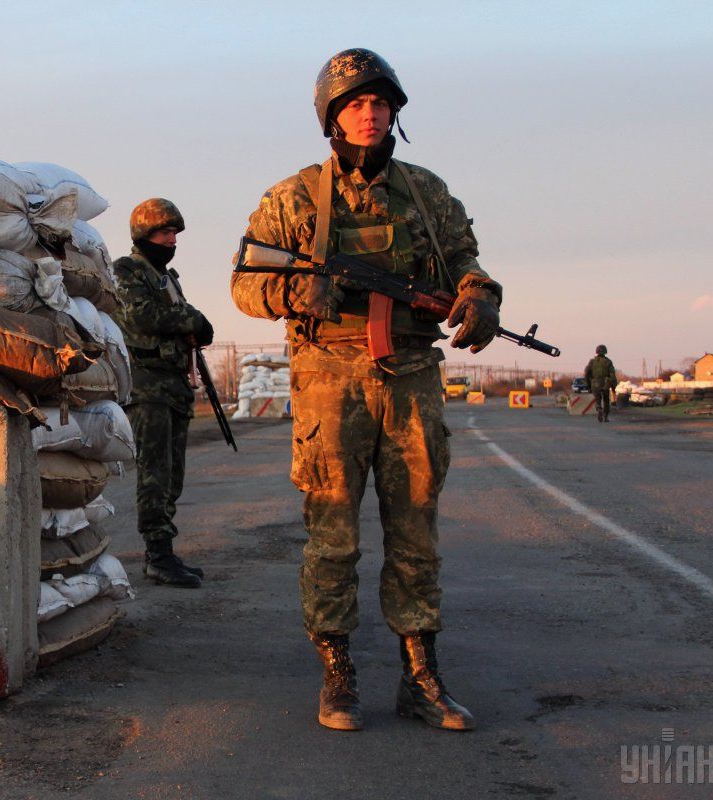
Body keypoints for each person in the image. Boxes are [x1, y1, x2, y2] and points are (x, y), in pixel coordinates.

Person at [231, 48, 500, 731]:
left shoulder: (428, 194)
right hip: (329, 380)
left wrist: (478, 297)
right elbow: (244, 283)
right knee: (333, 535)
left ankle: (422, 676)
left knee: (416, 534)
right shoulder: (292, 199)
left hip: (410, 377)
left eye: (380, 103)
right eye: (355, 103)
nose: (370, 113)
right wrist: (304, 288)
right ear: (332, 116)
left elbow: (468, 263)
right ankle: (337, 672)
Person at [114, 198, 214, 589]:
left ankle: (165, 551)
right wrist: (194, 319)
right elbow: (141, 315)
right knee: (154, 474)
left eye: (174, 233)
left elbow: (177, 318)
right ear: (144, 234)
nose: (171, 240)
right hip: (148, 384)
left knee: (173, 475)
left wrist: (193, 326)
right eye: (164, 232)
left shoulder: (167, 278)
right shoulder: (127, 270)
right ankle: (157, 555)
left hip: (174, 384)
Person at [585, 344, 618, 422]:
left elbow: (587, 374)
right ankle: (605, 416)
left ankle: (599, 408)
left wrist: (589, 386)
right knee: (606, 400)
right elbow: (612, 375)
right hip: (605, 383)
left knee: (598, 399)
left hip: (595, 383)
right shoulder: (608, 361)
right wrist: (613, 387)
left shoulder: (592, 361)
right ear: (605, 352)